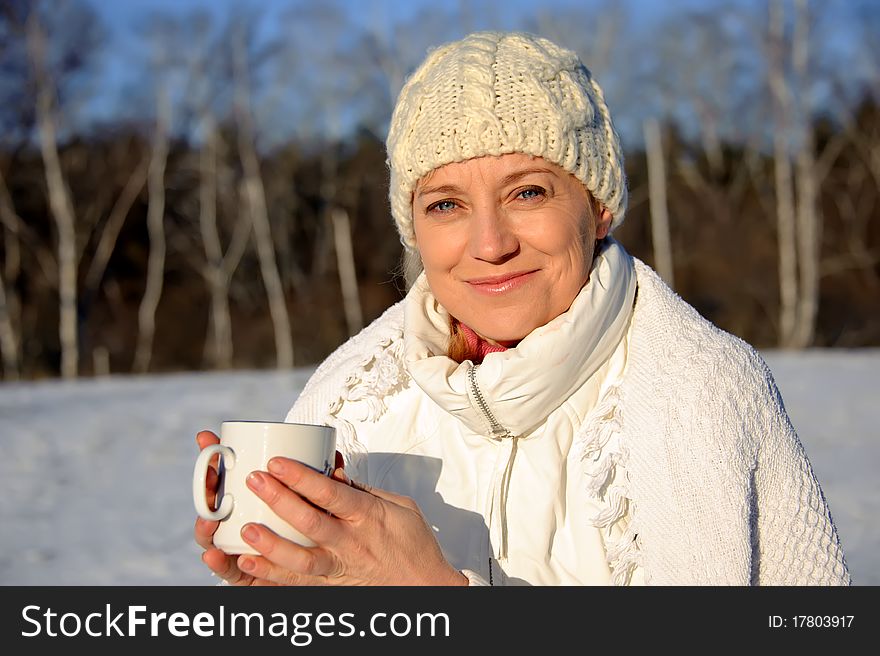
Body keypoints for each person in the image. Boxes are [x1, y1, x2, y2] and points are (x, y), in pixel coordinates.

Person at [194, 31, 850, 586]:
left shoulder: (706, 395)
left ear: (597, 207)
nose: (490, 244)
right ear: (414, 229)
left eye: (528, 192)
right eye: (446, 204)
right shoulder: (348, 402)